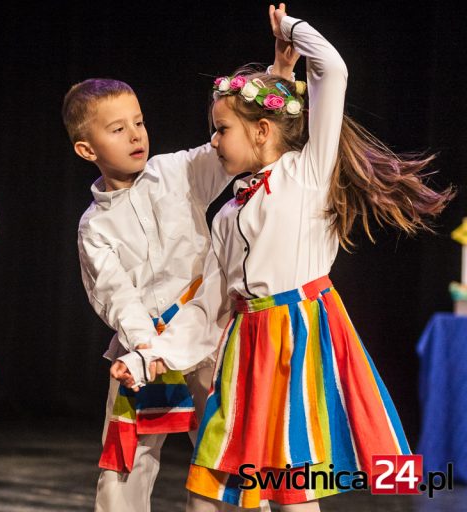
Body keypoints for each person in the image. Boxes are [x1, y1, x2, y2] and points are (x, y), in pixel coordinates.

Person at [113, 5, 454, 511]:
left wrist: (289, 34)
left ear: (262, 132)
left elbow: (332, 71)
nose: (213, 140)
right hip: (245, 352)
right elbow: (209, 306)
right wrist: (149, 356)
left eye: (221, 129)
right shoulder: (227, 214)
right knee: (207, 486)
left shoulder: (307, 176)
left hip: (299, 341)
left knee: (291, 491)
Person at [66, 20, 298, 511]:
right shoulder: (94, 226)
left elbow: (241, 143)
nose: (134, 135)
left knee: (226, 447)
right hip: (144, 343)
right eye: (116, 129)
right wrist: (148, 350)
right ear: (87, 149)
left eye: (138, 122)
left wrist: (276, 74)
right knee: (126, 460)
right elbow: (113, 293)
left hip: (208, 334)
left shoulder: (176, 170)